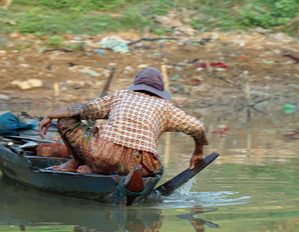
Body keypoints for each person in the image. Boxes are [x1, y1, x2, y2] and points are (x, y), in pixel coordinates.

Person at [38, 67, 208, 176]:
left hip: (104, 156)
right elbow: (197, 127)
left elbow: (82, 109)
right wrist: (198, 152)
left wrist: (51, 115)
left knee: (66, 121)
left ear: (136, 85)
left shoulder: (121, 96)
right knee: (142, 163)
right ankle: (93, 167)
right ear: (159, 91)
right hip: (143, 167)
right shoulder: (166, 107)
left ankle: (81, 163)